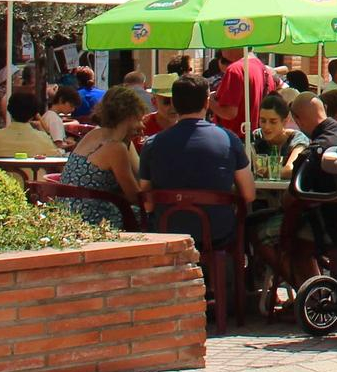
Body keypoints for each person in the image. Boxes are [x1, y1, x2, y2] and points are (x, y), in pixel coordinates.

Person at [139, 75, 255, 246]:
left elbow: (147, 204)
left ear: (175, 104)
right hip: (218, 232)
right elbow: (249, 194)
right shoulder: (229, 140)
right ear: (207, 103)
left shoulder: (152, 144)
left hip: (167, 231)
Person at [58, 85, 145, 228]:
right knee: (155, 217)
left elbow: (138, 172)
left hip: (68, 215)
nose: (142, 125)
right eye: (139, 119)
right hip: (91, 221)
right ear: (130, 116)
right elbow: (135, 197)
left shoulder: (94, 135)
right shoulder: (116, 148)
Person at [211, 47, 273, 138]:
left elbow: (229, 113)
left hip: (232, 140)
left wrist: (210, 101)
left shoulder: (235, 69)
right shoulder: (264, 69)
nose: (221, 49)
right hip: (254, 139)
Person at [0, 91, 62, 158]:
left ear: (9, 110)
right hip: (34, 178)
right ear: (34, 114)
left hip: (1, 178)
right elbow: (57, 159)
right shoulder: (43, 139)